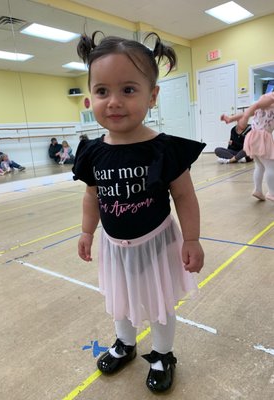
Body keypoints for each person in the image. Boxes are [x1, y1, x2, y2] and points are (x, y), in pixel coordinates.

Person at [73, 31, 205, 393]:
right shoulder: (92, 152)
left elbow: (185, 197)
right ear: (90, 98)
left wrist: (191, 238)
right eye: (103, 91)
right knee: (120, 299)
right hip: (115, 246)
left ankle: (162, 354)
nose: (113, 102)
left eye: (128, 90)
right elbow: (92, 196)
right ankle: (125, 343)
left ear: (153, 95)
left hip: (157, 243)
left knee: (161, 302)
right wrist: (87, 231)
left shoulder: (164, 149)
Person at [221, 91, 274, 201]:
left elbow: (251, 111)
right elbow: (254, 107)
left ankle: (258, 190)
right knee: (270, 166)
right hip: (262, 136)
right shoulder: (270, 98)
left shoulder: (268, 102)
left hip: (254, 135)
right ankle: (272, 193)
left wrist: (231, 118)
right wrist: (245, 116)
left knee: (260, 166)